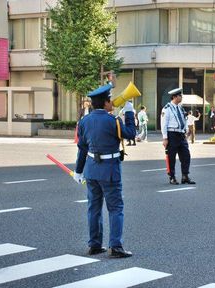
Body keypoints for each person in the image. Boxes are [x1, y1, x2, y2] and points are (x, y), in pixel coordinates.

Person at [74, 84, 136, 258]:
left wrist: (79, 171)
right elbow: (131, 133)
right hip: (109, 171)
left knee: (93, 208)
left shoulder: (84, 121)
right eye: (110, 100)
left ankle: (94, 244)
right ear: (106, 102)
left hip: (91, 170)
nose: (112, 104)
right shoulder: (113, 121)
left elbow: (82, 149)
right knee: (116, 208)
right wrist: (129, 112)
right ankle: (115, 246)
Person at [161, 88, 196, 185]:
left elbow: (183, 120)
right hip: (172, 134)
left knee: (186, 155)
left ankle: (185, 176)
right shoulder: (167, 108)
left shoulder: (180, 108)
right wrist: (165, 138)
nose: (181, 97)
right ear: (175, 97)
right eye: (180, 96)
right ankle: (172, 177)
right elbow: (164, 123)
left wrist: (186, 131)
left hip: (181, 135)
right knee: (171, 157)